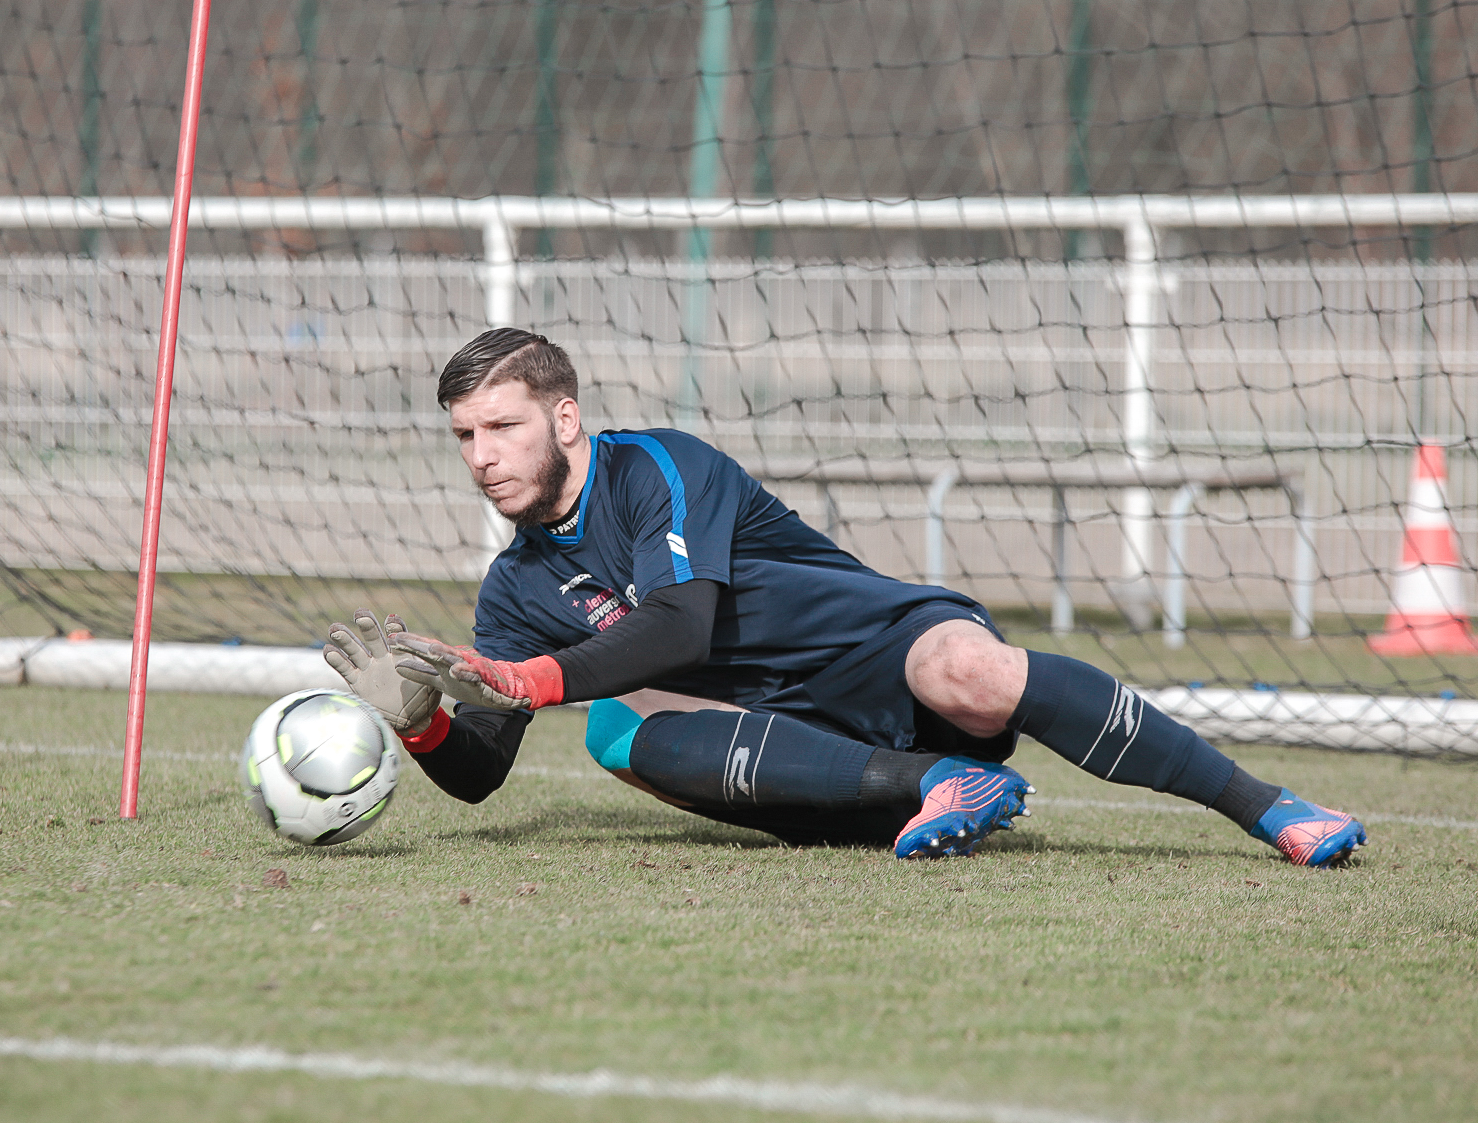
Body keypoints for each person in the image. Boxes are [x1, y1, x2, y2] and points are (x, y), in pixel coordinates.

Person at [323, 328, 1367, 866]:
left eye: (501, 427)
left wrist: (529, 678)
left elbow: (679, 624)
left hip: (879, 649)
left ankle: (1265, 806)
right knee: (615, 734)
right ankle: (938, 788)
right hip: (788, 729)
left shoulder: (656, 468)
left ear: (563, 419)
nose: (481, 455)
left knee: (969, 673)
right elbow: (482, 775)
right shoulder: (515, 586)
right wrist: (422, 727)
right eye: (464, 436)